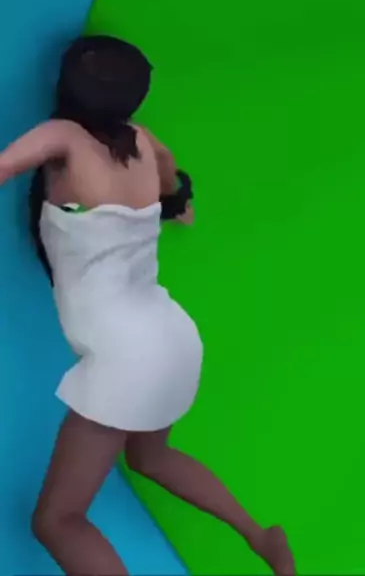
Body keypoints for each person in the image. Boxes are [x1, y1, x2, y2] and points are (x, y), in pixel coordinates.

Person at [0, 34, 295, 576]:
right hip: (172, 334)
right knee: (150, 457)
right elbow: (168, 168)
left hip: (126, 355)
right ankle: (260, 536)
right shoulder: (140, 138)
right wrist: (174, 203)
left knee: (57, 520)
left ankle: (260, 539)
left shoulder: (63, 136)